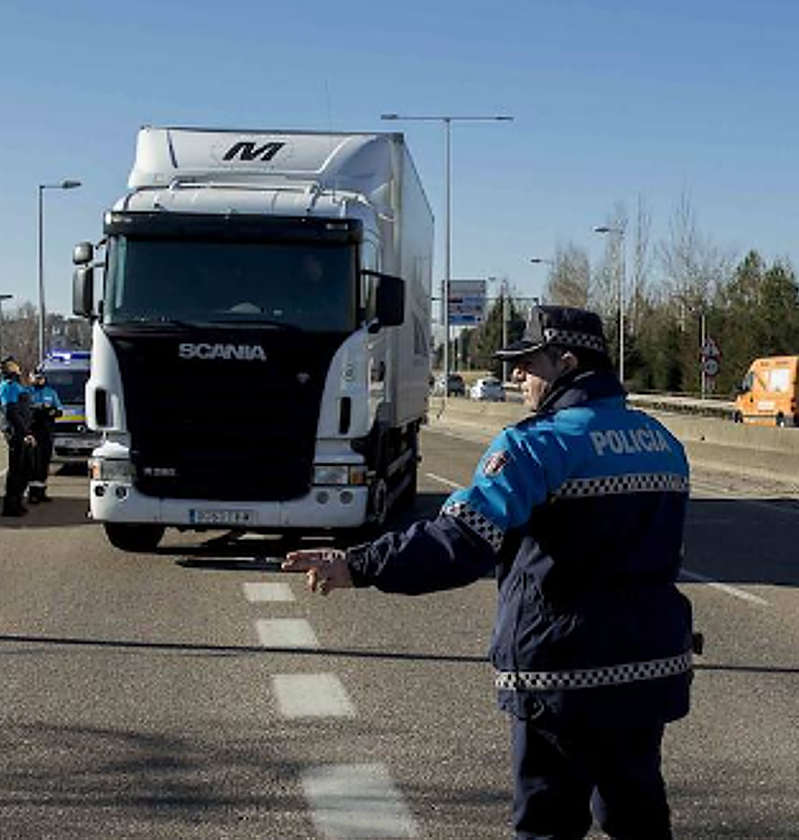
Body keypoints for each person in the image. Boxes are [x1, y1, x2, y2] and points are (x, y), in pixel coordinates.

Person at [283, 305, 697, 840]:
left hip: (562, 677)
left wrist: (357, 564)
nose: (517, 375)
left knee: (547, 826)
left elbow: (459, 542)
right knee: (637, 817)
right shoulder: (663, 444)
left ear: (567, 362)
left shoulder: (537, 445)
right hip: (648, 668)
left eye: (528, 362)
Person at [0, 357, 35, 517]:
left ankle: (18, 500)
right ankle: (11, 504)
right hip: (16, 432)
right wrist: (24, 433)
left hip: (22, 431)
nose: (18, 369)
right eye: (15, 367)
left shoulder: (17, 386)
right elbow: (11, 412)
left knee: (26, 467)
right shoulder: (9, 386)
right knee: (17, 469)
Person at [25, 368, 63, 504]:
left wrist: (51, 412)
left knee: (45, 461)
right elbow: (25, 411)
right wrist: (36, 411)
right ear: (31, 379)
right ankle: (32, 493)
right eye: (36, 378)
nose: (39, 380)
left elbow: (59, 410)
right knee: (34, 462)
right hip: (33, 431)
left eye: (41, 378)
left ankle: (41, 491)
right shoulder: (27, 393)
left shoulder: (51, 392)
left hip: (47, 431)